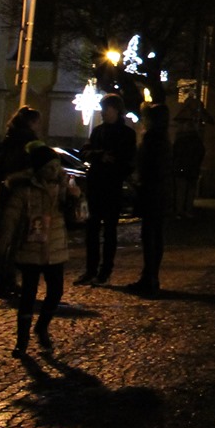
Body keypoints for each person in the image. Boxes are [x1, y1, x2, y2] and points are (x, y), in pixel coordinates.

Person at [0, 144, 80, 356]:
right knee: (28, 294)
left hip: (55, 248)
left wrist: (75, 197)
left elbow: (77, 217)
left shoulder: (64, 186)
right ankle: (21, 341)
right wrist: (3, 248)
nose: (55, 171)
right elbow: (10, 219)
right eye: (49, 167)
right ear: (38, 169)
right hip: (29, 248)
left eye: (56, 167)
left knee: (56, 292)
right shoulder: (25, 190)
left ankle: (42, 327)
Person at [79, 94, 135, 285]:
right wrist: (100, 155)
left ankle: (105, 271)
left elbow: (127, 160)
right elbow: (84, 152)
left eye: (106, 109)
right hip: (96, 184)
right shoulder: (98, 131)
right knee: (92, 230)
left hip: (112, 186)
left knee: (109, 230)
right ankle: (91, 269)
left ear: (116, 110)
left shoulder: (126, 134)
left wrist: (113, 164)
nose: (103, 113)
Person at [0, 105, 42, 301]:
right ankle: (8, 280)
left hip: (5, 193)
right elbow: (36, 168)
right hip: (21, 194)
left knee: (4, 240)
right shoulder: (31, 141)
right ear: (32, 122)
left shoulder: (9, 138)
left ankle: (0, 282)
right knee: (15, 240)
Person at [125, 102, 170, 296]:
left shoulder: (152, 139)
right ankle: (151, 276)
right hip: (160, 192)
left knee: (149, 235)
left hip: (151, 192)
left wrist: (139, 181)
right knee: (155, 235)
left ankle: (149, 277)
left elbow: (148, 166)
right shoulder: (164, 139)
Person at [171, 116, 204, 219]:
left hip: (181, 167)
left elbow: (174, 153)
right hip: (193, 168)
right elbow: (201, 153)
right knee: (190, 191)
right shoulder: (197, 140)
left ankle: (180, 210)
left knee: (181, 190)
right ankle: (188, 210)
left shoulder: (180, 139)